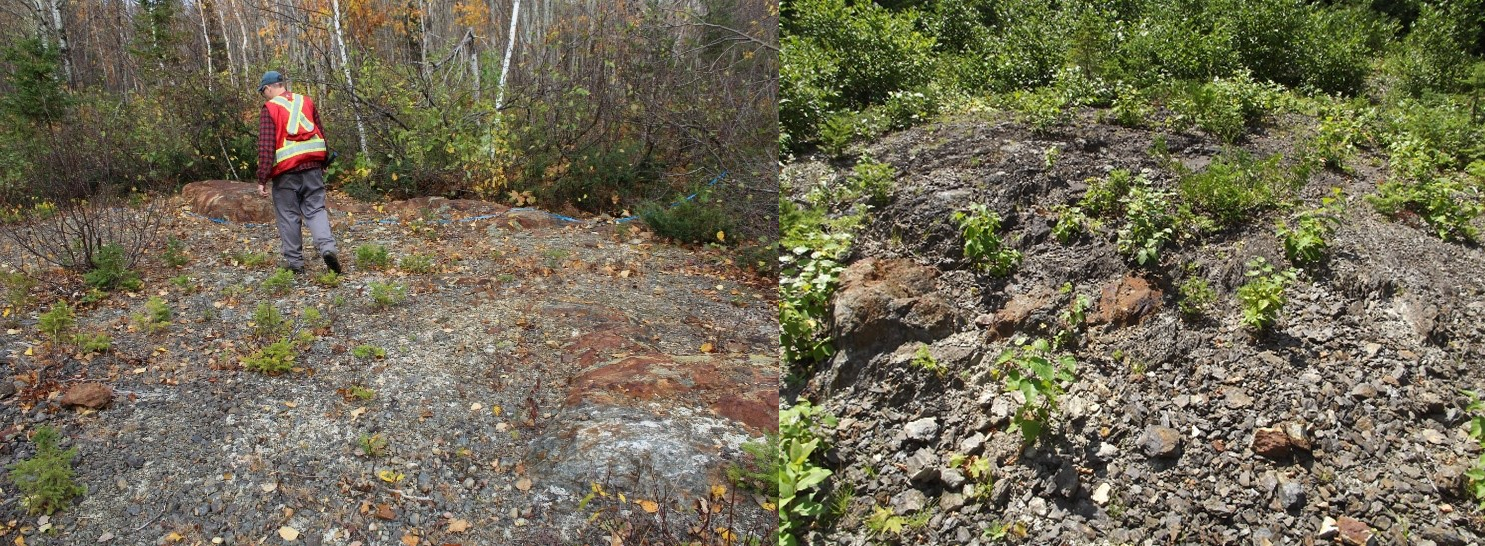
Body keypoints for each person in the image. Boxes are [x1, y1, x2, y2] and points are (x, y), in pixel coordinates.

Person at [256, 70, 342, 275]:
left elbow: (266, 146)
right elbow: (319, 131)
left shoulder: (270, 108)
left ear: (269, 88)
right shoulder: (306, 101)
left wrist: (262, 178)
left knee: (288, 215)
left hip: (287, 172)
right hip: (312, 166)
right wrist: (323, 160)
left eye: (263, 91)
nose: (264, 95)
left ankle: (295, 264)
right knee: (316, 210)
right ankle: (328, 248)